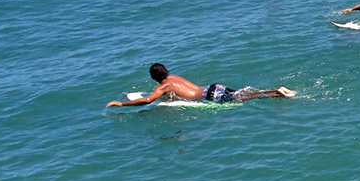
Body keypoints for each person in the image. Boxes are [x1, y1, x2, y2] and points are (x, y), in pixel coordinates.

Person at [106, 63, 295, 106]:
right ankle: (275, 88)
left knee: (245, 98)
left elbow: (148, 100)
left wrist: (121, 104)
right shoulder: (174, 78)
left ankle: (277, 94)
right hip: (213, 87)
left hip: (209, 96)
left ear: (155, 77)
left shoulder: (162, 87)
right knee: (241, 92)